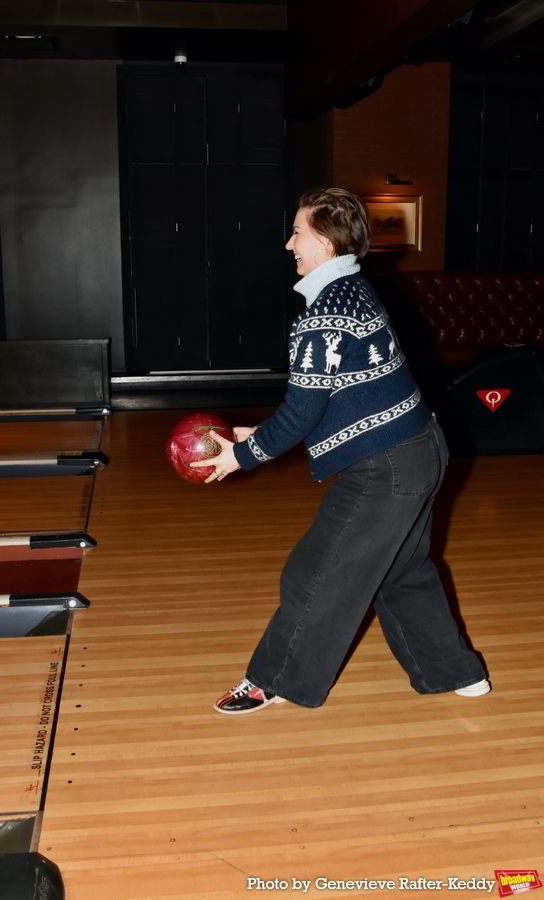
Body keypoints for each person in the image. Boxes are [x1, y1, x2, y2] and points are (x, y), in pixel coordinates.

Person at [191, 188, 489, 715]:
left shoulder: (323, 318)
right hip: (422, 449)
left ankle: (272, 680)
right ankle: (456, 673)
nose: (289, 244)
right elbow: (337, 394)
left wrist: (242, 455)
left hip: (385, 468)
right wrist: (255, 434)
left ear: (326, 242)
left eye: (298, 232)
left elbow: (302, 413)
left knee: (315, 571)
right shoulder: (356, 289)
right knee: (402, 570)